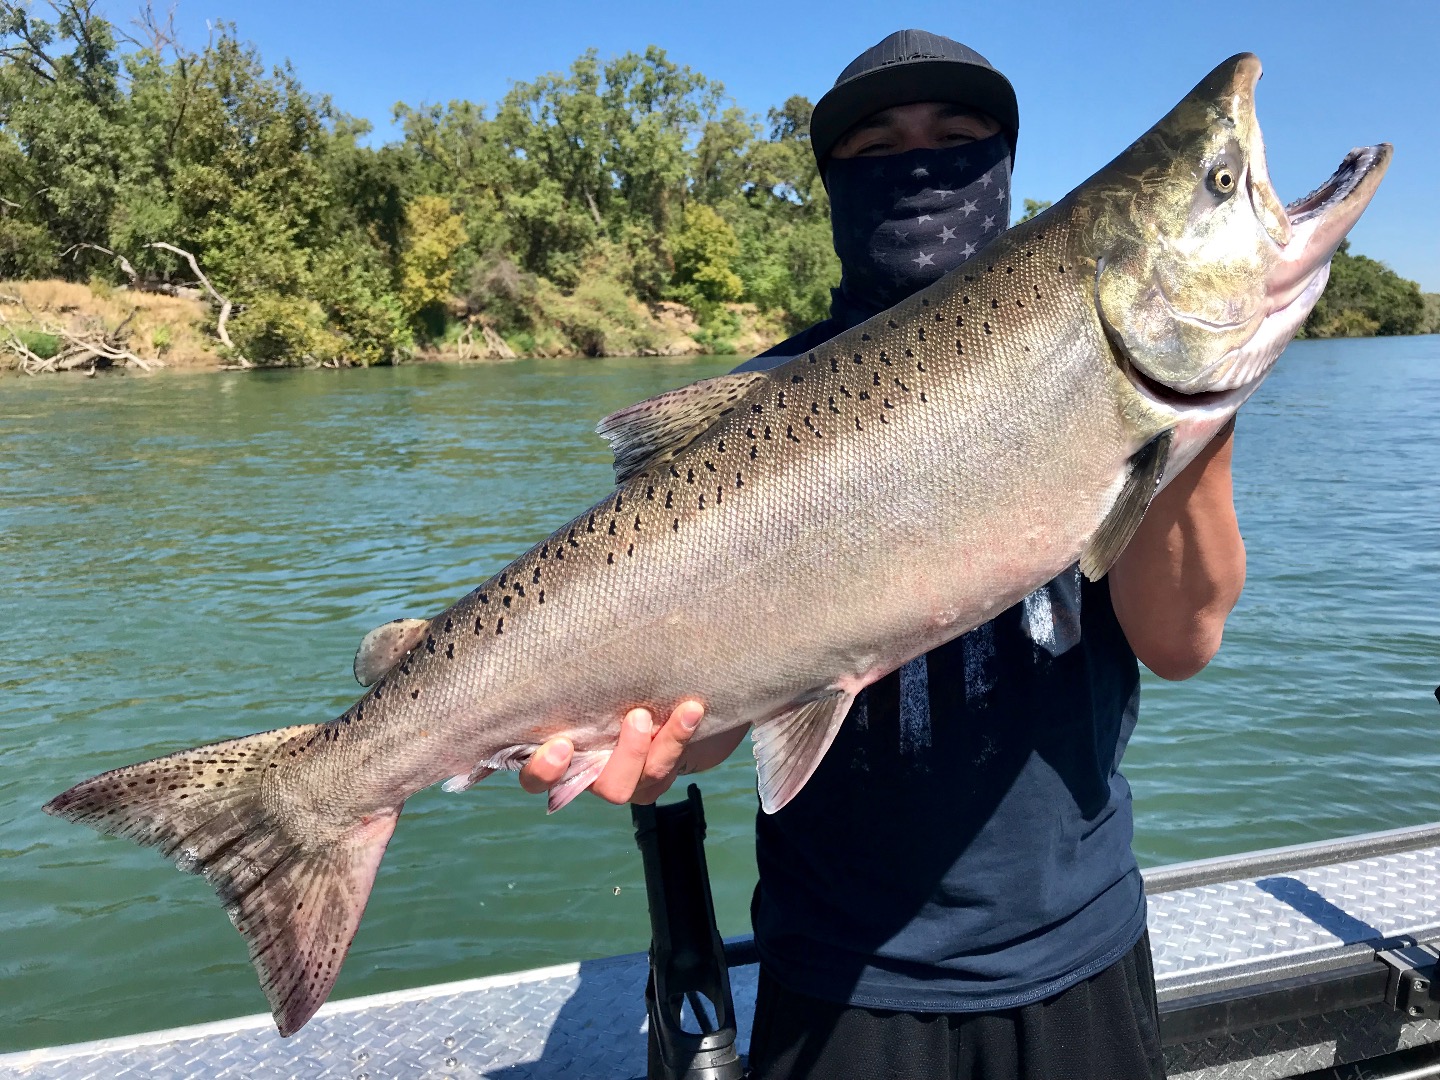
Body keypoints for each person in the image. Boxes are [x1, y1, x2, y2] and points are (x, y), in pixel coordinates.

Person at [521, 29, 1245, 1080]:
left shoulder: (1099, 362)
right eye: (879, 144)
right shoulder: (749, 421)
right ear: (832, 186)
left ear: (1004, 166)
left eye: (956, 135)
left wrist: (1196, 408)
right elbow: (715, 739)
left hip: (1077, 952)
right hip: (837, 981)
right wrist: (636, 750)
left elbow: (1181, 642)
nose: (920, 161)